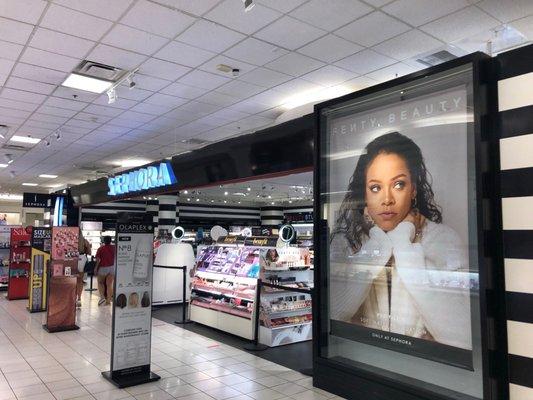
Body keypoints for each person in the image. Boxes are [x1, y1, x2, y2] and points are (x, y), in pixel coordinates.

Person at [330, 131, 471, 350]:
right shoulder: (346, 241)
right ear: (365, 194)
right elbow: (333, 315)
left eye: (398, 185)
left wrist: (405, 246)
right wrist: (378, 242)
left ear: (413, 189)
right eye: (375, 188)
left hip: (423, 372)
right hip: (361, 362)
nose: (387, 199)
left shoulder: (442, 240)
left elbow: (462, 335)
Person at [95, 236, 115, 306]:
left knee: (100, 283)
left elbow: (98, 260)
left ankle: (102, 297)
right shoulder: (114, 248)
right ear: (110, 240)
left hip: (103, 267)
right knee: (109, 284)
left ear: (104, 241)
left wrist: (96, 268)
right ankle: (108, 301)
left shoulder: (101, 248)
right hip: (112, 267)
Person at [76, 234, 91, 308]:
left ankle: (72, 298)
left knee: (70, 279)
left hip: (70, 257)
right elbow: (89, 253)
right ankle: (79, 298)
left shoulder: (71, 238)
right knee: (80, 280)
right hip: (82, 258)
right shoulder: (84, 241)